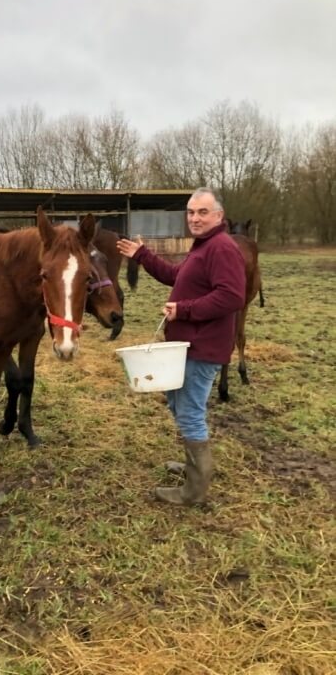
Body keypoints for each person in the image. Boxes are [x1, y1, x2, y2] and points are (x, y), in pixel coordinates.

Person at [116, 188, 246, 505]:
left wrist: (184, 310)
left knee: (189, 413)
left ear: (218, 216)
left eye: (202, 212)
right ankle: (191, 468)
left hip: (203, 348)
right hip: (186, 346)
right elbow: (176, 276)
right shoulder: (202, 248)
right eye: (190, 212)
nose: (195, 218)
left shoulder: (221, 249)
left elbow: (232, 296)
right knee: (177, 403)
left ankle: (194, 491)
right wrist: (143, 256)